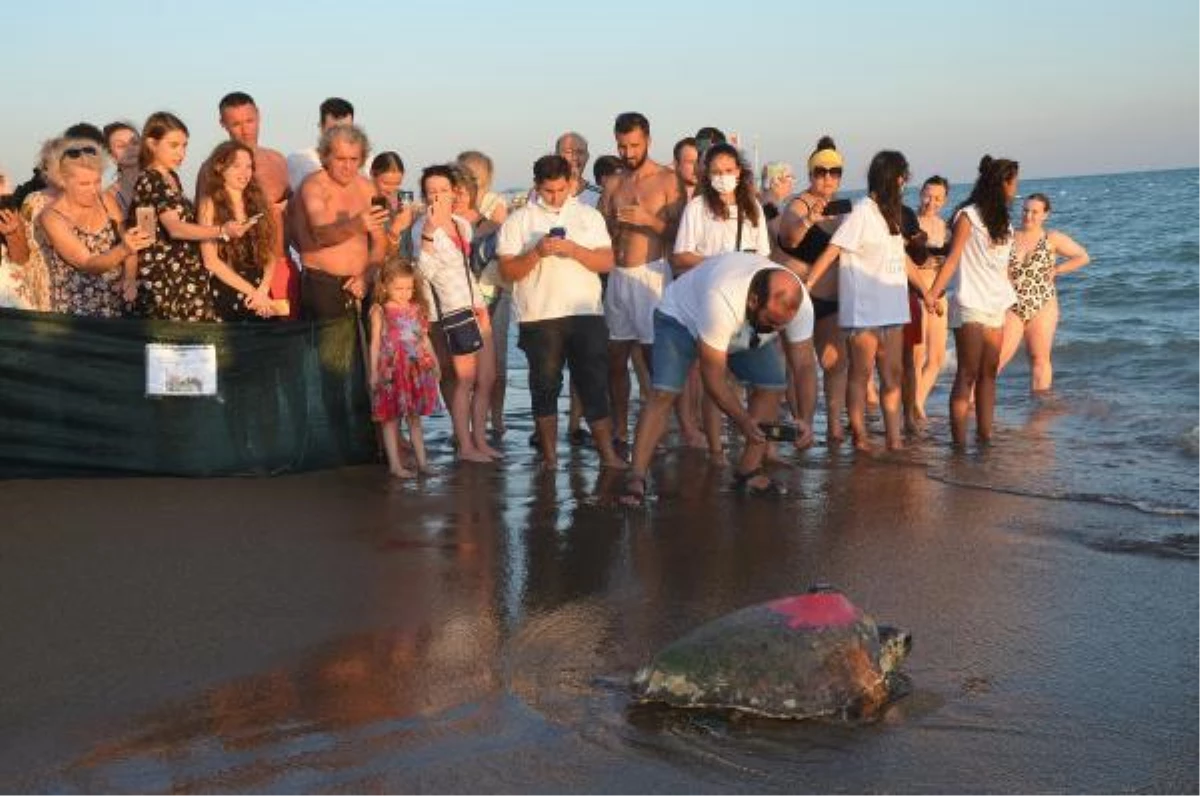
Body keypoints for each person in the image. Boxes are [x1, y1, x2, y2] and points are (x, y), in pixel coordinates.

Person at [622, 252, 815, 504]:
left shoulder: (799, 305)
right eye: (772, 322)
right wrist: (743, 421)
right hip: (680, 319)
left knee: (772, 384)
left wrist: (806, 420)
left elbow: (804, 366)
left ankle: (749, 470)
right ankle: (636, 476)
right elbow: (712, 376)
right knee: (664, 392)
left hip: (745, 328)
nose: (777, 330)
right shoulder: (723, 298)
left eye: (783, 325)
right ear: (755, 300)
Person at [497, 154, 627, 470]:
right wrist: (537, 252)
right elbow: (507, 272)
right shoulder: (519, 220)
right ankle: (550, 458)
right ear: (537, 186)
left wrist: (574, 251)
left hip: (585, 312)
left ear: (570, 183)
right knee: (544, 387)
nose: (555, 197)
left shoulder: (588, 216)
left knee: (594, 384)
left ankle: (608, 455)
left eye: (560, 190)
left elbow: (607, 262)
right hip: (538, 316)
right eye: (548, 191)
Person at [805, 151, 928, 451]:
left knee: (893, 375)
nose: (904, 182)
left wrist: (927, 291)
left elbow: (902, 258)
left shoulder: (893, 214)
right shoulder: (862, 211)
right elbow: (833, 250)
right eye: (902, 177)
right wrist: (807, 284)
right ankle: (860, 435)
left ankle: (894, 437)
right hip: (864, 310)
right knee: (861, 374)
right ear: (892, 178)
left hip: (894, 307)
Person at [599, 112, 683, 451]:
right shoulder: (614, 182)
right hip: (617, 277)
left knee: (653, 360)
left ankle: (662, 429)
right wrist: (612, 228)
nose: (628, 153)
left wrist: (650, 220)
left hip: (652, 273)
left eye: (634, 145)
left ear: (648, 139)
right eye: (622, 146)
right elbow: (602, 230)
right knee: (615, 358)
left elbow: (681, 234)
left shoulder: (668, 180)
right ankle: (620, 427)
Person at [925, 156, 1021, 446]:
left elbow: (1002, 266)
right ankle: (958, 445)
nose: (1016, 188)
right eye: (1013, 182)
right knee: (967, 373)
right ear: (1002, 183)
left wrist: (1012, 294)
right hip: (969, 302)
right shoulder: (968, 216)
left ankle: (985, 439)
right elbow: (952, 260)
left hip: (996, 304)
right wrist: (933, 293)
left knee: (989, 373)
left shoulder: (1004, 222)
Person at [412, 164, 501, 463]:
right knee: (464, 379)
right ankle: (465, 446)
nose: (437, 197)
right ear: (425, 196)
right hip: (451, 312)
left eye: (443, 191)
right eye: (431, 192)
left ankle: (480, 440)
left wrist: (481, 307)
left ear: (454, 193)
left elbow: (467, 271)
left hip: (476, 306)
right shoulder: (421, 228)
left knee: (487, 378)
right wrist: (427, 233)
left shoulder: (462, 225)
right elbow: (423, 273)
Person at [129, 112, 252, 321]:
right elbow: (175, 228)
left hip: (185, 277)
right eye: (174, 145)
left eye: (184, 146)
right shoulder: (150, 179)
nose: (181, 153)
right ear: (151, 144)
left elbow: (148, 231)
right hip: (165, 282)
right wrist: (222, 231)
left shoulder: (171, 177)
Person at [773, 135, 849, 445]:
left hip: (832, 299)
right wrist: (808, 220)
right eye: (821, 172)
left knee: (835, 363)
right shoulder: (798, 204)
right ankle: (801, 424)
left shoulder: (844, 209)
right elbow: (790, 236)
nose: (828, 178)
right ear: (811, 174)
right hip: (801, 298)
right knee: (799, 367)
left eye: (834, 172)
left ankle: (833, 427)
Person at [38, 141, 151, 317]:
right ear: (63, 181)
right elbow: (87, 263)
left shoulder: (106, 200)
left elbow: (127, 239)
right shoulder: (52, 217)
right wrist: (124, 249)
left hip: (118, 306)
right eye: (84, 184)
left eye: (97, 181)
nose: (93, 190)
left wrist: (129, 278)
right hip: (77, 313)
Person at [291, 124, 388, 320]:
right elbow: (321, 235)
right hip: (322, 286)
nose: (348, 166)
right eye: (340, 159)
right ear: (326, 156)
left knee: (364, 349)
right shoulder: (314, 186)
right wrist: (357, 225)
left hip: (361, 284)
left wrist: (367, 276)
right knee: (328, 350)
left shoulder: (367, 187)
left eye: (354, 159)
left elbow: (380, 241)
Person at [214, 92, 297, 319]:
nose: (245, 129)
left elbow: (293, 211)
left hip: (281, 264)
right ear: (223, 124)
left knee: (288, 339)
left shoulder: (277, 160)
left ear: (259, 116)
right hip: (239, 273)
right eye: (236, 124)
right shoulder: (214, 167)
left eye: (249, 121)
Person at [998, 193, 1090, 391]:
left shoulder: (1052, 238)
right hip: (1012, 303)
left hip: (1043, 303)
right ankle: (974, 401)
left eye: (1034, 212)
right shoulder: (1008, 237)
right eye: (1025, 210)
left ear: (1045, 215)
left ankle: (1040, 407)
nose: (1028, 215)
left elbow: (1083, 257)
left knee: (1039, 358)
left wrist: (1057, 270)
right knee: (998, 357)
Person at [368, 258, 441, 478]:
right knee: (390, 418)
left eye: (409, 288)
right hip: (391, 370)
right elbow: (375, 344)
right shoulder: (380, 310)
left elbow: (424, 338)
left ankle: (422, 463)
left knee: (414, 417)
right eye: (398, 288)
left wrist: (435, 362)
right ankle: (395, 465)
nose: (404, 293)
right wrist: (373, 373)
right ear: (385, 286)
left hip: (414, 368)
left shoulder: (417, 308)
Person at [457, 150, 510, 436]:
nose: (468, 182)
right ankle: (464, 423)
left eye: (475, 177)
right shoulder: (454, 204)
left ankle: (497, 419)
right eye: (463, 174)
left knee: (496, 359)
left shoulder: (494, 203)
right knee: (464, 365)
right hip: (461, 294)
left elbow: (493, 229)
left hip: (493, 291)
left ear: (487, 180)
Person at [196, 141, 280, 321]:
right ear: (219, 167)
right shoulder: (209, 203)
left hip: (261, 293)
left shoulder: (258, 201)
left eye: (249, 166)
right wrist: (253, 293)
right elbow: (211, 261)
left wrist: (263, 289)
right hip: (228, 291)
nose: (244, 173)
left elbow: (272, 253)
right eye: (236, 166)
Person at [912, 175, 951, 421]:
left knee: (936, 358)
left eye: (937, 197)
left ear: (944, 200)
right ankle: (913, 409)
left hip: (939, 295)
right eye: (927, 195)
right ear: (920, 194)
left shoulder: (946, 227)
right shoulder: (911, 223)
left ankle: (917, 403)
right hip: (915, 292)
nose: (931, 201)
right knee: (917, 355)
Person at [287, 97, 354, 192]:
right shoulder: (298, 161)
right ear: (321, 128)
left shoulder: (366, 163)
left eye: (346, 129)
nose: (340, 136)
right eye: (333, 130)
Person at [369, 151, 416, 259]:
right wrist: (395, 230)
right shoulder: (369, 200)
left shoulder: (404, 197)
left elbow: (408, 241)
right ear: (372, 174)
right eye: (386, 183)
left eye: (397, 183)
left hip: (403, 264)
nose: (392, 189)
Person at [102, 121, 141, 216]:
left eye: (134, 143)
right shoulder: (109, 196)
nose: (130, 149)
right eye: (121, 146)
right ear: (111, 155)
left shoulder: (163, 181)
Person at [556, 132, 601, 207]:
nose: (575, 158)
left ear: (587, 156)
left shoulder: (601, 195)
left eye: (580, 152)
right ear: (556, 156)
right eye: (568, 152)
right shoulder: (541, 195)